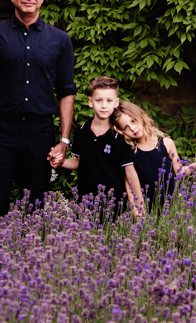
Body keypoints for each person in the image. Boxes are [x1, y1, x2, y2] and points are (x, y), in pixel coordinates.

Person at [0, 0, 75, 218]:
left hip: (41, 132)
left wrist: (64, 141)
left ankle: (33, 254)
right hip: (1, 131)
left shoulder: (60, 40)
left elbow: (66, 92)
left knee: (37, 204)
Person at [61, 77, 145, 219]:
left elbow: (130, 174)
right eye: (99, 100)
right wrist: (60, 161)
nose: (104, 106)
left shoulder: (121, 136)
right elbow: (79, 163)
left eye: (109, 101)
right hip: (85, 204)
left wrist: (139, 207)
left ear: (116, 103)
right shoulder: (81, 131)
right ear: (90, 102)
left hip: (115, 205)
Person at [110, 101, 186, 209]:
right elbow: (129, 183)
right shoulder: (129, 152)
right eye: (125, 127)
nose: (132, 128)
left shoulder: (167, 143)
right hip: (146, 209)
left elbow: (179, 172)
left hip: (171, 207)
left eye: (133, 121)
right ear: (122, 132)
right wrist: (136, 210)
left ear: (140, 116)